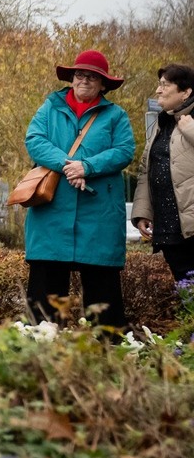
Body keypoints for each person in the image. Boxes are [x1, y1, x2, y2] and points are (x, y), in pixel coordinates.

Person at [23, 50, 136, 327]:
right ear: (72, 79)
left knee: (103, 296)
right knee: (44, 300)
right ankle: (39, 357)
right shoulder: (50, 107)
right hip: (52, 212)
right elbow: (35, 140)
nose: (84, 80)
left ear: (103, 84)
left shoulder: (115, 116)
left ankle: (108, 355)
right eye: (80, 75)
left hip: (98, 215)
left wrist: (88, 166)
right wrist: (68, 165)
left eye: (92, 77)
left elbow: (124, 150)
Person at [133, 64, 194, 281]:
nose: (158, 90)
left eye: (165, 85)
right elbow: (146, 170)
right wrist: (142, 212)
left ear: (186, 92)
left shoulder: (190, 121)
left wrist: (189, 129)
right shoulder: (161, 123)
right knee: (185, 286)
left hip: (191, 223)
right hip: (169, 225)